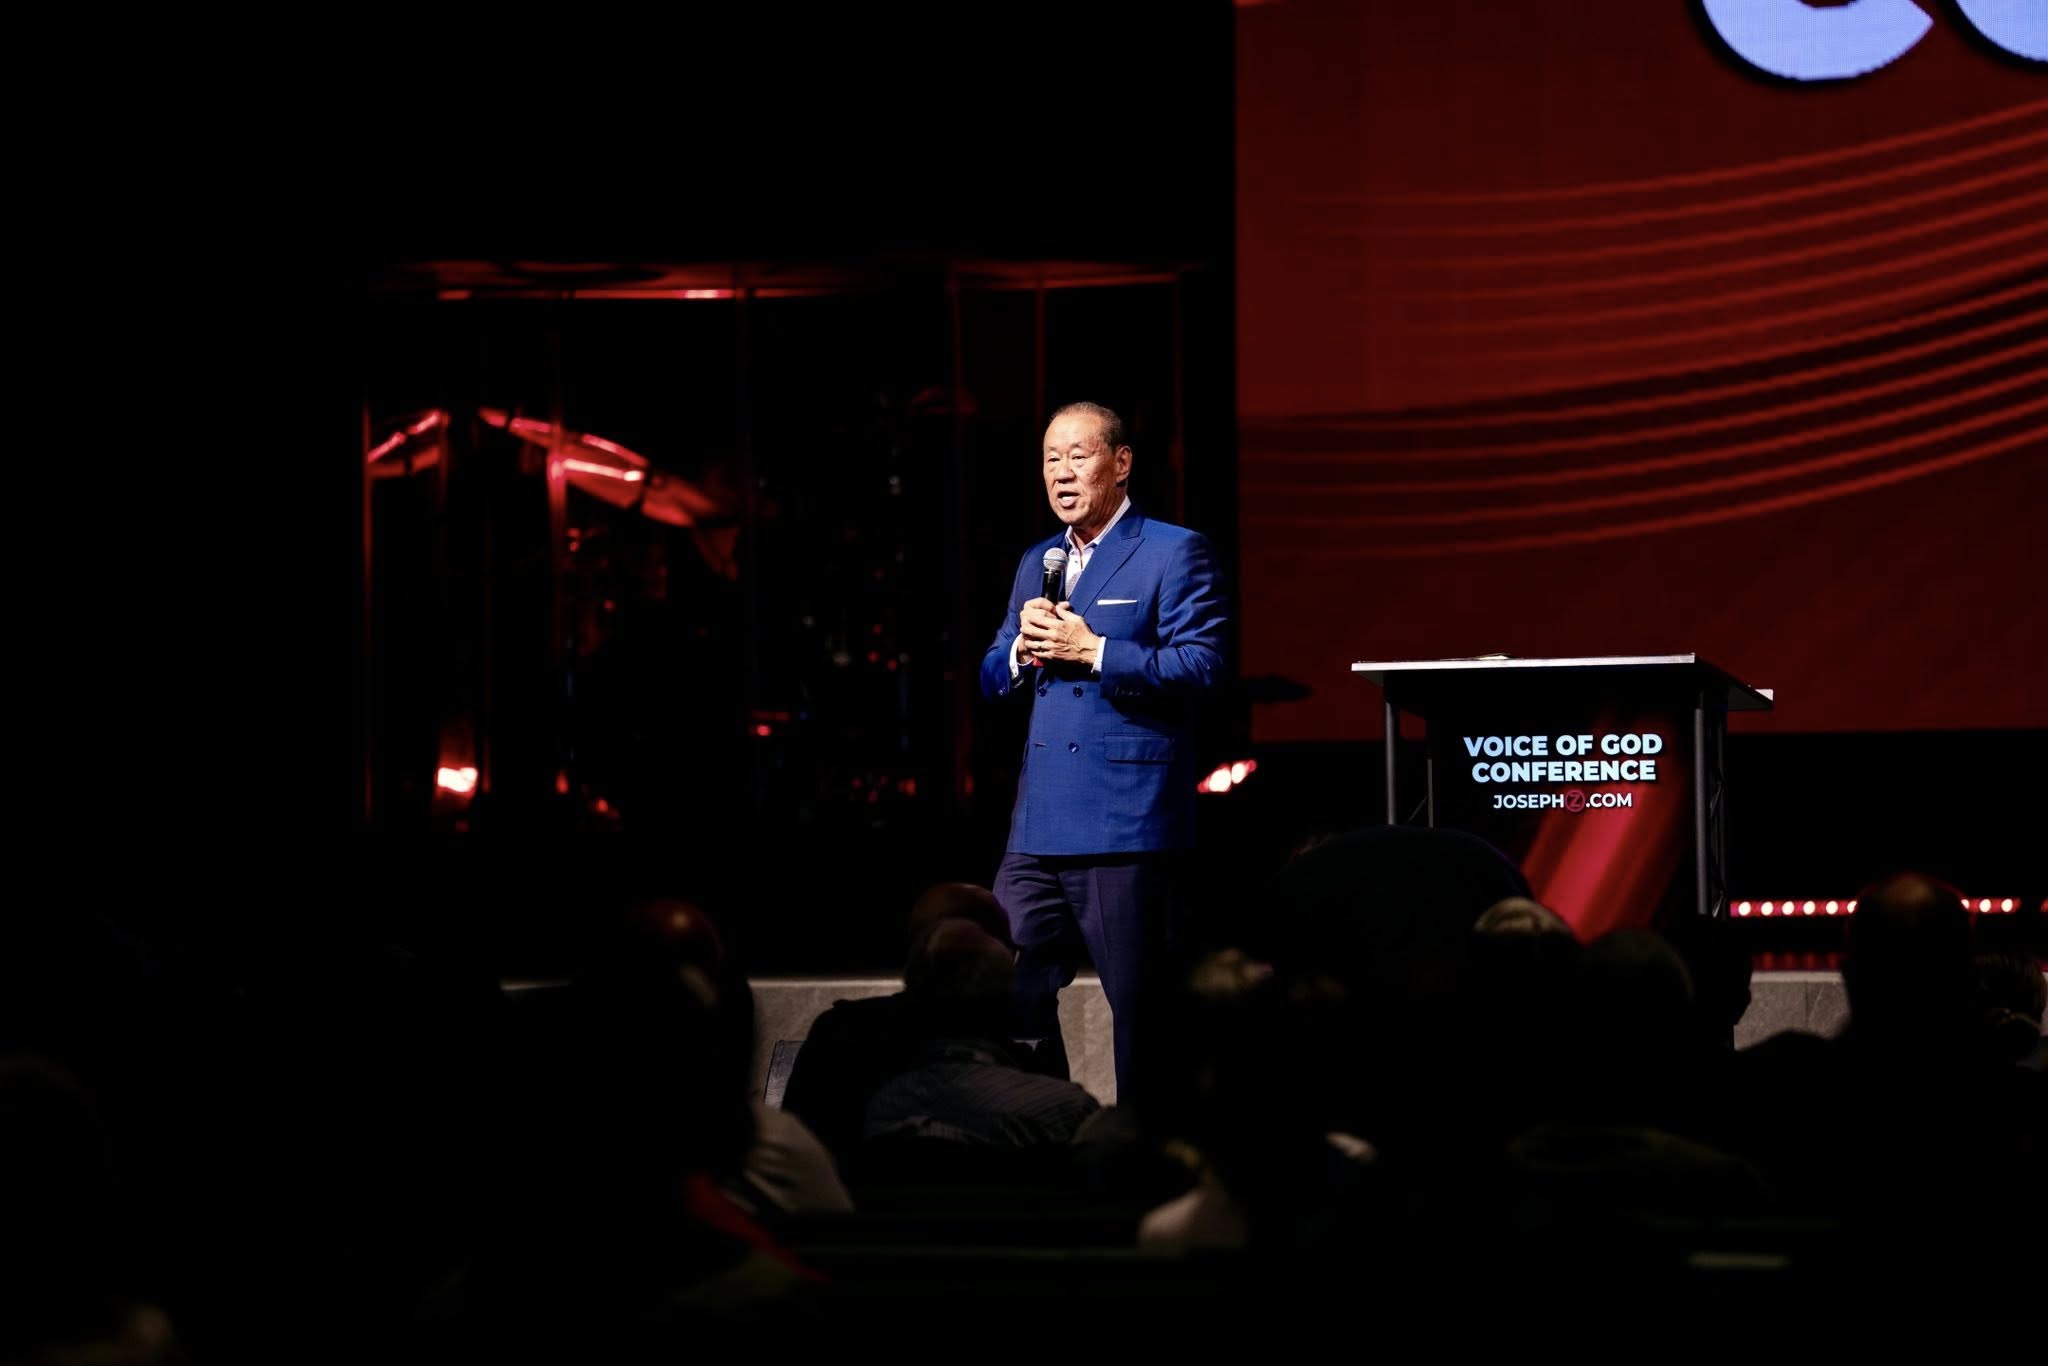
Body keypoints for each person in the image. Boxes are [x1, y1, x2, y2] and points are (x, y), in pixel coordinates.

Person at [979, 401, 1228, 1102]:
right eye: (1050, 460)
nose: (1061, 473)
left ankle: (1145, 1145)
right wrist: (1023, 651)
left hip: (1126, 821)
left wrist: (1096, 652)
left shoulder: (1173, 551)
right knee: (1003, 981)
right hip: (1039, 822)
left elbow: (1204, 666)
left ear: (1121, 464)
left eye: (1077, 456)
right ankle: (1044, 1117)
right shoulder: (1039, 561)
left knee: (1143, 1014)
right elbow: (991, 674)